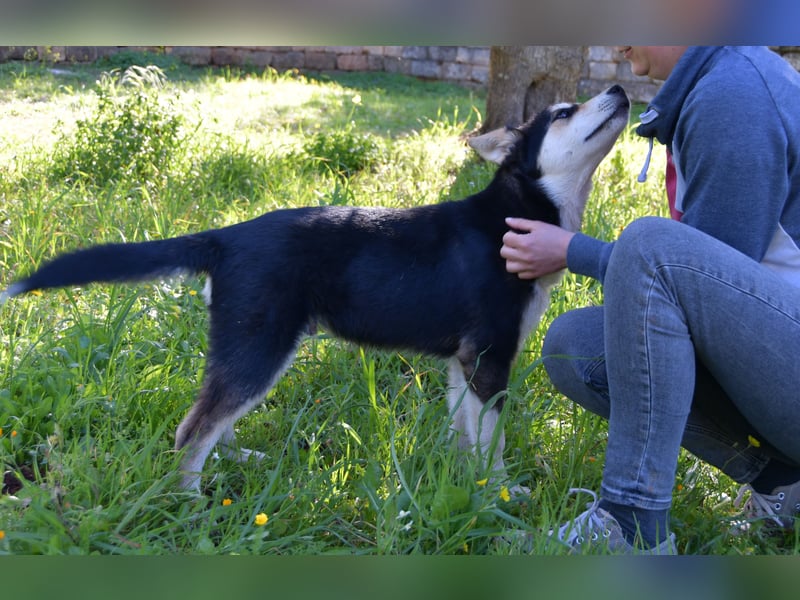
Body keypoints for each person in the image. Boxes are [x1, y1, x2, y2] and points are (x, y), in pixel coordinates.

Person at [500, 46, 800, 554]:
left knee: (650, 247)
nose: (617, 44)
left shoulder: (733, 92)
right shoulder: (718, 77)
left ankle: (631, 524)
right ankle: (783, 480)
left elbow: (686, 272)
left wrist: (574, 250)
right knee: (577, 346)